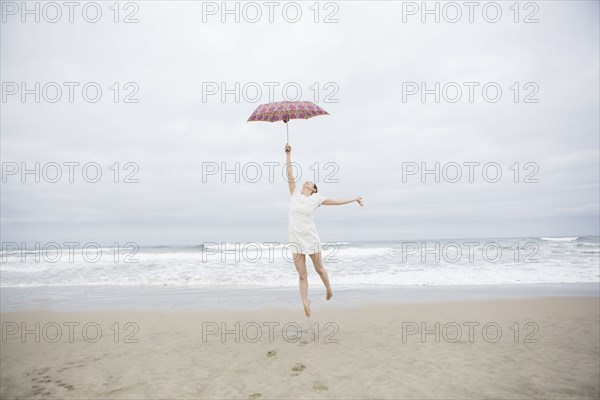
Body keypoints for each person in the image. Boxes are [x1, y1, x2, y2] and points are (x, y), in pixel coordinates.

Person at [285, 143, 364, 317]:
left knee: (319, 269)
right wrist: (288, 154)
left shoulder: (316, 199)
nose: (307, 181)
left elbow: (336, 201)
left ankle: (329, 289)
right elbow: (290, 175)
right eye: (306, 180)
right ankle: (305, 301)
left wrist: (354, 198)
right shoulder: (295, 195)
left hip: (311, 238)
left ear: (313, 189)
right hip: (295, 239)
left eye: (311, 182)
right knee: (302, 274)